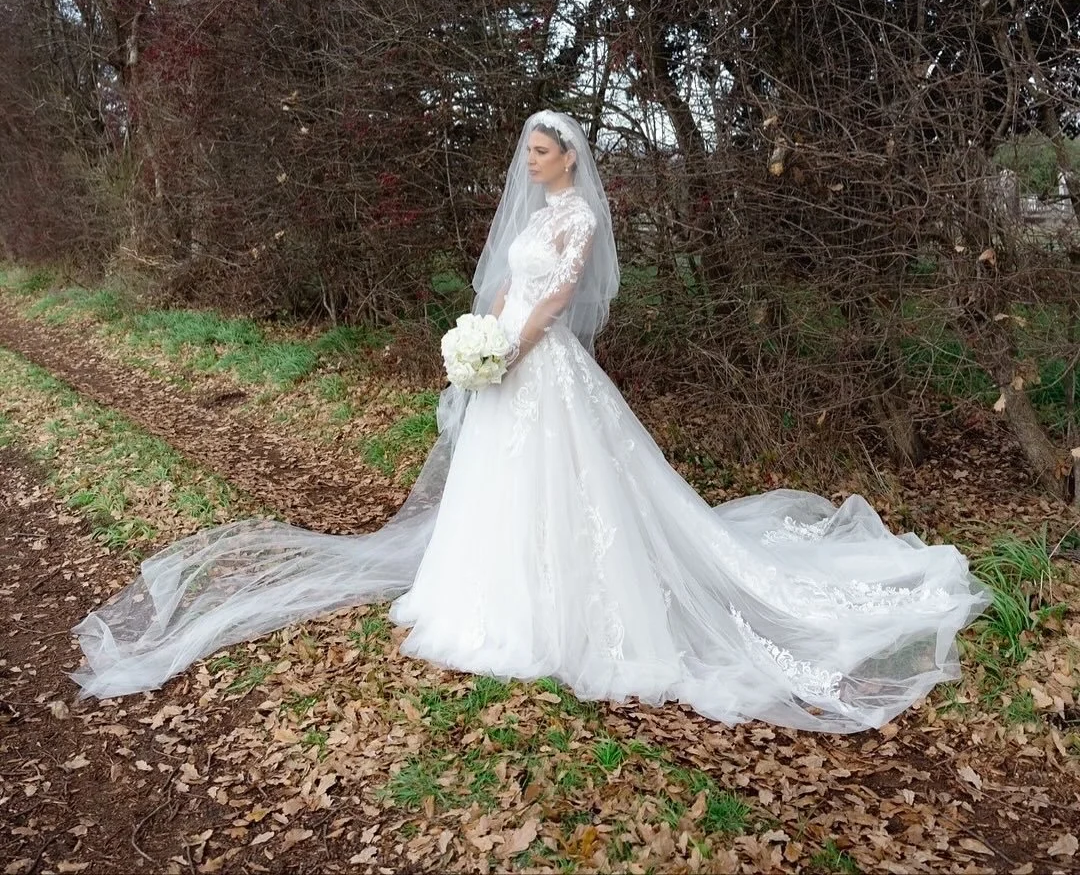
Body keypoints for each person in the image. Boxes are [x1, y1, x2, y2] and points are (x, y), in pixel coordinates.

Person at [72, 110, 989, 731]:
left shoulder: (580, 215)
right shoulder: (534, 214)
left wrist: (511, 347)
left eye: (542, 152)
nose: (531, 162)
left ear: (570, 157)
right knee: (496, 479)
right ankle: (479, 595)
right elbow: (512, 285)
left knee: (569, 480)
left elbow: (556, 300)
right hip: (506, 349)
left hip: (543, 362)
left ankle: (565, 609)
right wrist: (481, 336)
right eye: (529, 153)